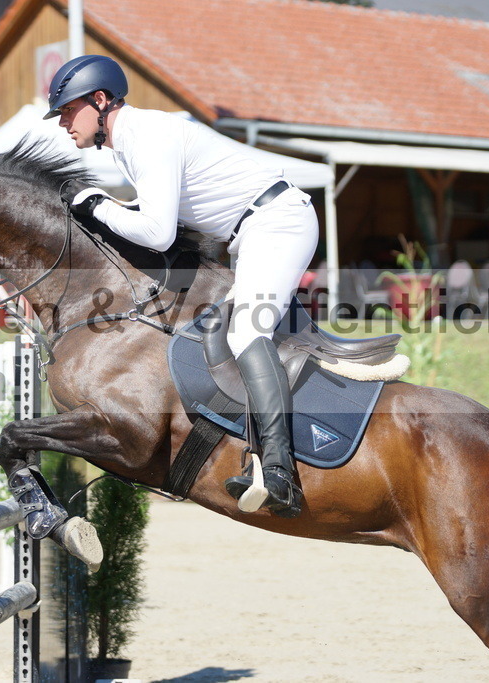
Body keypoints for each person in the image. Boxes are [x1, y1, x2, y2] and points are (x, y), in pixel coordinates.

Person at [47, 55, 319, 517]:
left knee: (245, 332)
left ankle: (279, 472)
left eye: (69, 111)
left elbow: (157, 233)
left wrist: (96, 203)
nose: (64, 124)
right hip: (251, 233)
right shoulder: (130, 143)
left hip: (276, 222)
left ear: (100, 100)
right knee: (213, 334)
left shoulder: (146, 134)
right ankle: (246, 453)